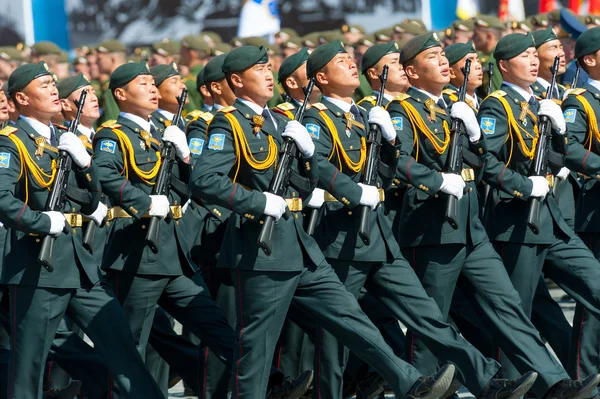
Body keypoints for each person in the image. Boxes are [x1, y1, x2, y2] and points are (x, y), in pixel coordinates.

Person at [190, 44, 459, 399]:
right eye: (259, 70)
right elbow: (204, 180)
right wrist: (257, 202)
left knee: (352, 319)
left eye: (269, 68)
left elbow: (303, 181)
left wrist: (304, 158)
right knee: (256, 350)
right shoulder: (229, 122)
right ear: (237, 80)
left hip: (301, 246)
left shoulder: (282, 122)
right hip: (262, 252)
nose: (269, 75)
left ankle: (408, 382)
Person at [301, 39, 536, 399]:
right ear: (321, 77)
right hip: (341, 236)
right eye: (341, 60)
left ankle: (486, 380)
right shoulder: (314, 120)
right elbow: (316, 164)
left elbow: (391, 167)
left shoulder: (368, 116)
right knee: (340, 334)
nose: (350, 64)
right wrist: (350, 190)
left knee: (428, 316)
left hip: (379, 234)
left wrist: (392, 143)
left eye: (351, 58)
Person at [0, 61, 166, 399]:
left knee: (124, 352)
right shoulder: (11, 144)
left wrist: (86, 164)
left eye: (53, 84)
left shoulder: (65, 139)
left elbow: (91, 200)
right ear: (21, 97)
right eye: (43, 84)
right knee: (28, 365)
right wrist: (41, 221)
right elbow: (1, 197)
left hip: (81, 264)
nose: (52, 90)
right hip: (38, 266)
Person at [477, 31, 600, 395]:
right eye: (525, 55)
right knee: (518, 312)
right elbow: (487, 161)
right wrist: (523, 184)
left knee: (594, 281)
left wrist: (561, 133)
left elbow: (563, 152)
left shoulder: (545, 102)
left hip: (553, 219)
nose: (534, 60)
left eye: (535, 54)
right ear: (503, 65)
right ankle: (517, 386)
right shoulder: (497, 106)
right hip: (517, 220)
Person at [560, 26, 600, 381]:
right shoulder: (579, 100)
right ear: (590, 59)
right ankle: (585, 377)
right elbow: (570, 149)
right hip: (597, 212)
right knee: (592, 306)